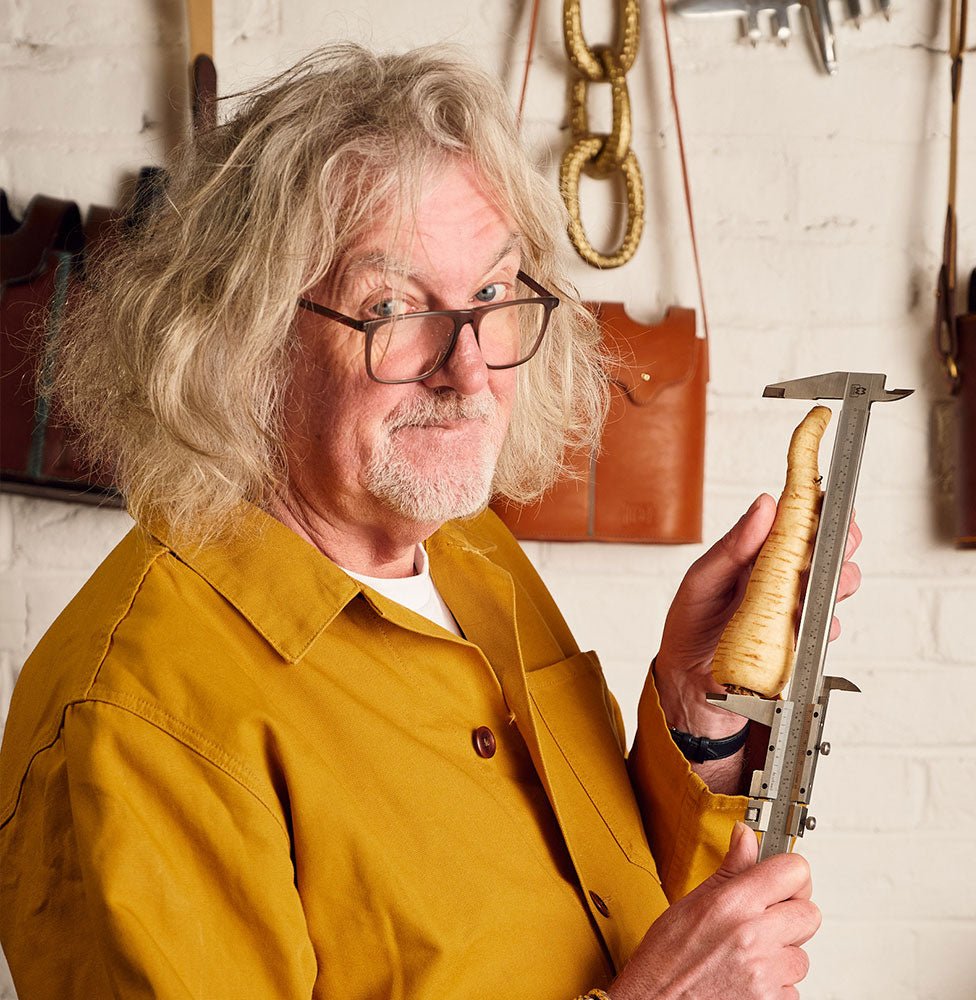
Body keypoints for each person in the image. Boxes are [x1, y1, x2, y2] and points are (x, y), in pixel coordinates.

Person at [0, 44, 861, 999]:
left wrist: (699, 713)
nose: (470, 372)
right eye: (393, 307)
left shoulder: (464, 548)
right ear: (241, 339)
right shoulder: (135, 714)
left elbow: (614, 915)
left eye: (491, 296)